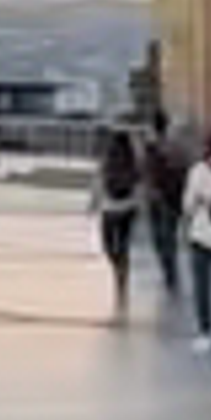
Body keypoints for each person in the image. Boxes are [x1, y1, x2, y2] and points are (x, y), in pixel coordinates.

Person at [179, 123, 211, 347]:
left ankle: (205, 333)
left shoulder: (199, 170)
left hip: (203, 236)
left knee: (202, 287)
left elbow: (188, 206)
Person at [92, 117, 146, 313]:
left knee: (107, 244)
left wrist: (93, 205)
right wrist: (140, 207)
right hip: (128, 208)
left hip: (109, 208)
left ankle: (117, 267)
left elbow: (98, 182)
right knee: (123, 244)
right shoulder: (133, 159)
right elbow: (140, 184)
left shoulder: (107, 159)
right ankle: (122, 273)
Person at [138, 118, 188, 307]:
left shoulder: (162, 147)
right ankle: (169, 271)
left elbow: (143, 172)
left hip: (162, 200)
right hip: (167, 200)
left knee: (162, 238)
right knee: (165, 238)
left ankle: (170, 272)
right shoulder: (173, 147)